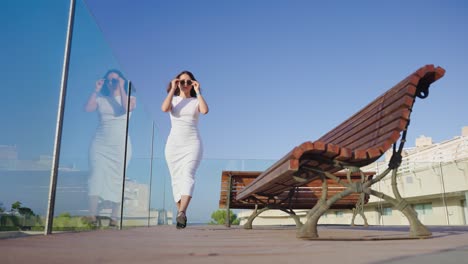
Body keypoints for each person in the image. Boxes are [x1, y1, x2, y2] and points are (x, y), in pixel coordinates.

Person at [84, 69, 136, 226]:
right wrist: (96, 90)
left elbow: (127, 108)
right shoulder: (101, 99)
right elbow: (88, 108)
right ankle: (92, 215)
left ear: (121, 81)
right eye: (109, 80)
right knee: (95, 176)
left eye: (115, 80)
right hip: (100, 143)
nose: (111, 83)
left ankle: (114, 218)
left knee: (118, 179)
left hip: (120, 145)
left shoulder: (131, 98)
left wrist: (121, 87)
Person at [161, 70, 209, 229]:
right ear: (177, 83)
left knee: (188, 174)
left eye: (189, 82)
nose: (186, 84)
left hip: (192, 144)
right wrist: (172, 89)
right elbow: (164, 108)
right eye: (182, 82)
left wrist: (198, 92)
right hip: (173, 145)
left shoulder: (196, 101)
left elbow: (205, 110)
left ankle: (181, 212)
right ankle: (181, 214)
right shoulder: (173, 100)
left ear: (193, 84)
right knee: (176, 179)